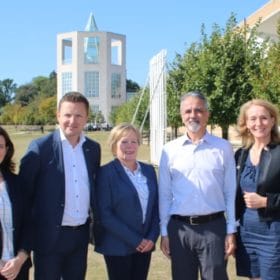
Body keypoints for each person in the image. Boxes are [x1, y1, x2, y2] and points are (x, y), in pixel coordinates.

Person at [19, 91, 101, 280]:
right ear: (58, 115)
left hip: (79, 236)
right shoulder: (40, 148)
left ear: (86, 118)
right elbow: (24, 194)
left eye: (79, 115)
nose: (73, 120)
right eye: (67, 115)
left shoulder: (93, 149)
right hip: (49, 237)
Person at [159, 91, 237, 280]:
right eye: (188, 111)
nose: (193, 115)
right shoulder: (169, 150)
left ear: (207, 114)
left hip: (214, 229)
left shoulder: (223, 147)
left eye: (198, 110)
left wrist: (231, 230)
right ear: (181, 115)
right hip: (180, 231)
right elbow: (165, 194)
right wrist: (164, 232)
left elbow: (230, 192)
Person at [94, 123, 159, 280]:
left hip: (145, 246)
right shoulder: (105, 173)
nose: (129, 146)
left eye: (134, 141)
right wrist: (136, 240)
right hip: (117, 246)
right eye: (124, 142)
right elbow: (105, 214)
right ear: (114, 145)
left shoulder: (149, 170)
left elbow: (156, 208)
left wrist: (151, 238)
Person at [235, 99, 280, 280]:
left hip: (274, 234)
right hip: (246, 233)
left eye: (263, 118)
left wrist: (266, 201)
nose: (258, 123)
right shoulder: (240, 154)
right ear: (245, 123)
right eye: (252, 119)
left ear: (272, 120)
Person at [0, 126, 32, 280]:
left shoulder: (17, 183)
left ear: (7, 149)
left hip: (17, 269)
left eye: (0, 146)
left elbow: (29, 224)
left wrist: (20, 259)